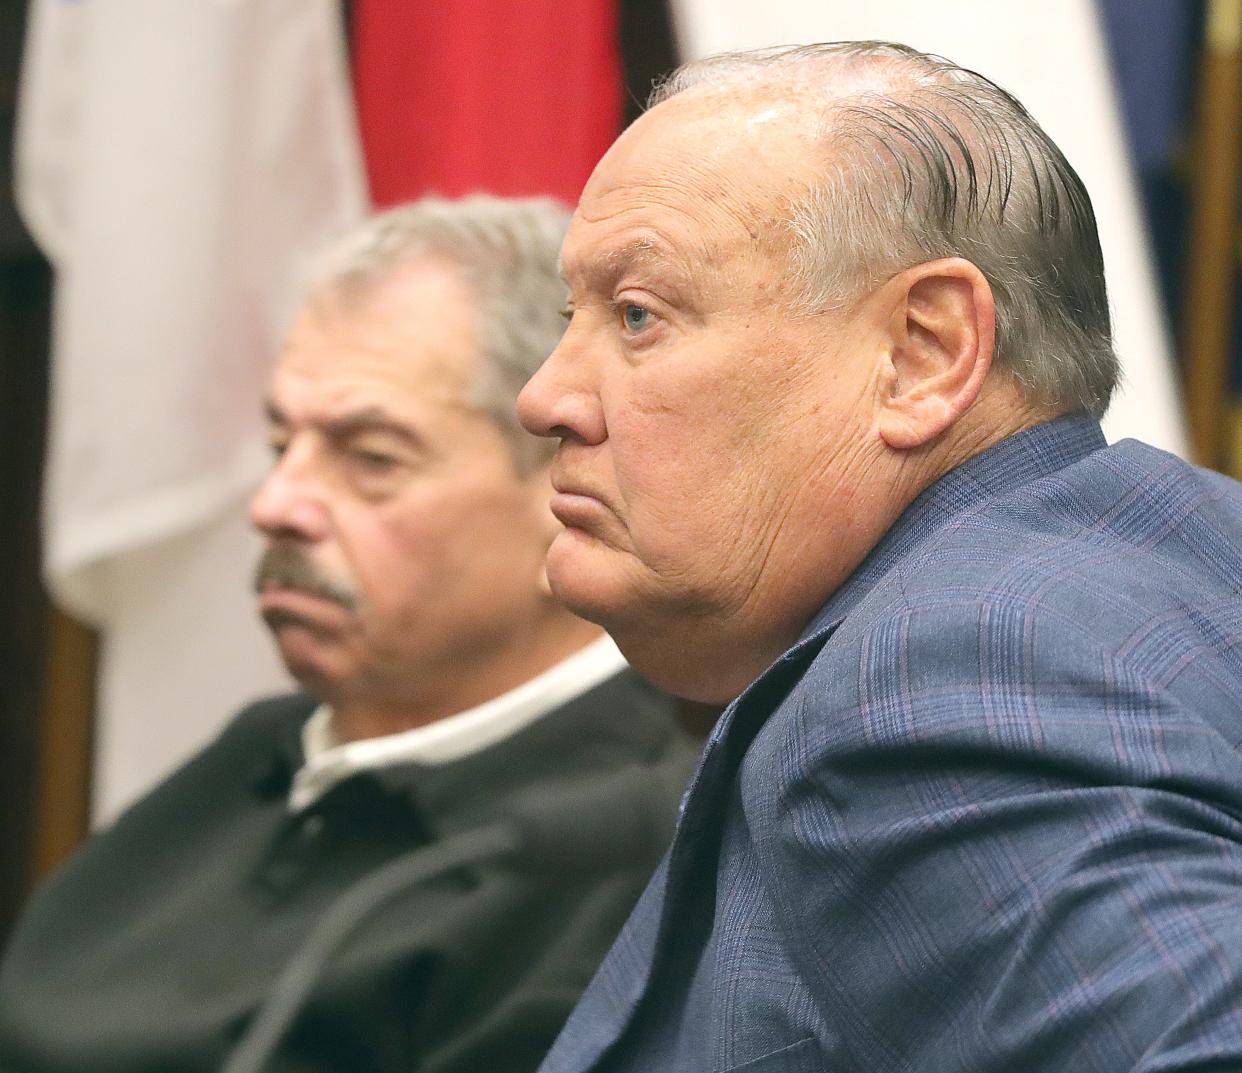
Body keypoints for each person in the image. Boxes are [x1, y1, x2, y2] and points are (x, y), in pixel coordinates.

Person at [515, 41, 1242, 1073]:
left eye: (640, 314)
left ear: (923, 355)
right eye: (569, 318)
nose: (543, 396)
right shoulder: (1180, 549)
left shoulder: (940, 681)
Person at [0, 196, 699, 1073]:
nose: (275, 505)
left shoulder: (622, 860)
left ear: (562, 496)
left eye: (371, 457)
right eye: (280, 442)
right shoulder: (259, 751)